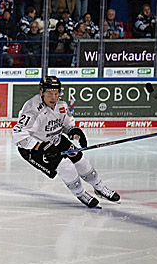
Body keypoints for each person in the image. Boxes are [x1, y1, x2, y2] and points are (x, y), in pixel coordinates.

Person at [13, 76, 120, 209]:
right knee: (65, 166)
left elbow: (66, 124)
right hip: (32, 148)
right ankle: (81, 193)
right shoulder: (32, 109)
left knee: (81, 162)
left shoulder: (61, 105)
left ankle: (100, 187)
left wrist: (73, 131)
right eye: (49, 93)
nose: (53, 97)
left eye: (56, 93)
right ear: (41, 92)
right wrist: (40, 146)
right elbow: (18, 134)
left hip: (55, 139)